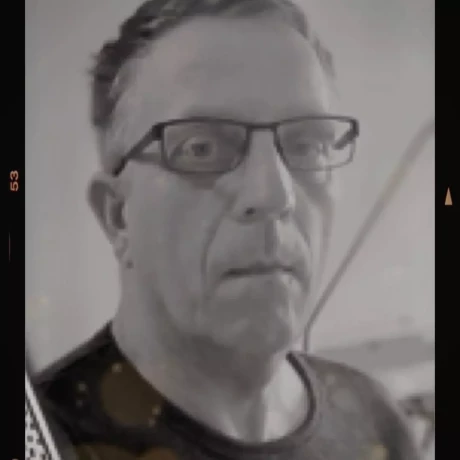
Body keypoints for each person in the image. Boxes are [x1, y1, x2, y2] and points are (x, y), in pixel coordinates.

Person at [36, 0, 421, 459]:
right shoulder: (45, 438)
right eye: (201, 148)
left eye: (307, 144)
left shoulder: (375, 422)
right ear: (118, 215)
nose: (275, 194)